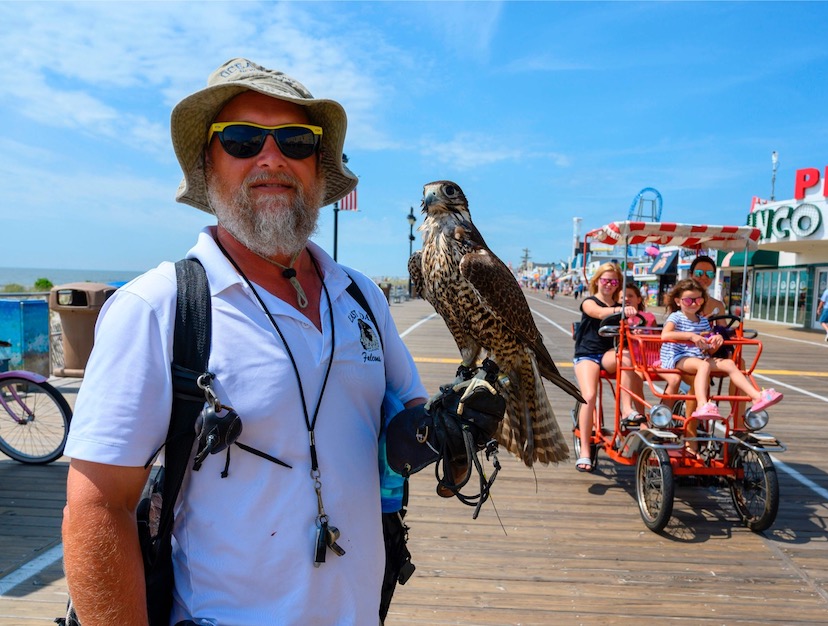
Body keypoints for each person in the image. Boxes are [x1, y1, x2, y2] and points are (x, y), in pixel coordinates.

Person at [61, 59, 503, 625]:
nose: (271, 157)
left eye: (296, 140)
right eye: (242, 140)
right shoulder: (158, 308)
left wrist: (447, 429)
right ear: (207, 165)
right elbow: (98, 508)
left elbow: (404, 421)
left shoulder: (362, 297)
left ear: (319, 169)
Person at [658, 279, 783, 456]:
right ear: (678, 301)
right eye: (688, 300)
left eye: (698, 300)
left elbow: (706, 345)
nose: (694, 303)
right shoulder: (676, 317)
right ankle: (703, 404)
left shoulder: (702, 320)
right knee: (703, 366)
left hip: (698, 355)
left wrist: (716, 341)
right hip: (678, 356)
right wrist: (691, 336)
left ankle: (756, 396)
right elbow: (665, 335)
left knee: (730, 363)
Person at [572, 263, 643, 472]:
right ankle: (585, 450)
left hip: (607, 354)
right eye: (605, 280)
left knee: (626, 357)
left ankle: (627, 409)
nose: (609, 285)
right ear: (597, 281)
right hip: (587, 354)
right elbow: (598, 312)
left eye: (613, 281)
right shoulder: (589, 302)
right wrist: (620, 310)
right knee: (590, 395)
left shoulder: (622, 303)